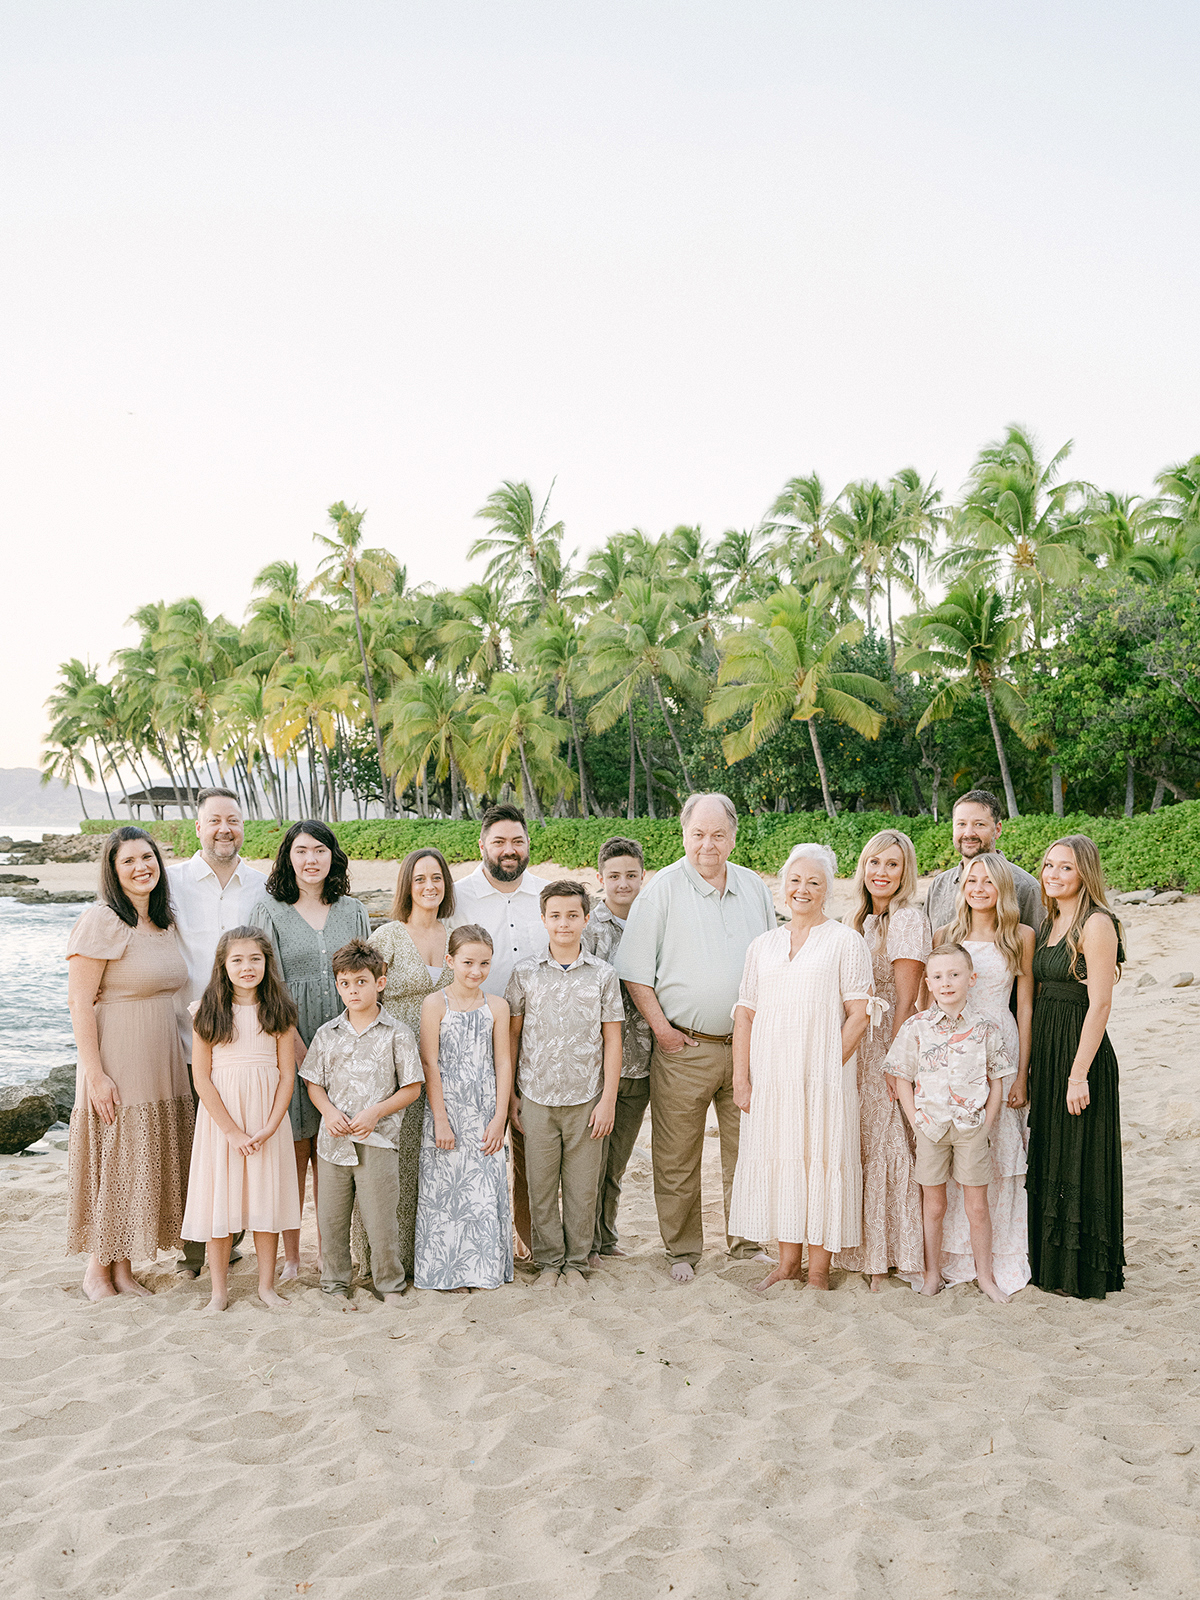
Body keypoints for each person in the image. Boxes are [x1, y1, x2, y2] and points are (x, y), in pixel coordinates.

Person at [615, 793, 776, 1282]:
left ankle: (747, 1244)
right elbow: (634, 971)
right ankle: (682, 1250)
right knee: (677, 1155)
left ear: (733, 835)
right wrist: (662, 1031)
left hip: (746, 1047)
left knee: (748, 1151)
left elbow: (772, 959)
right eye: (698, 834)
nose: (708, 843)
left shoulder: (753, 887)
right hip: (684, 1046)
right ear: (684, 834)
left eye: (718, 834)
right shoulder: (661, 889)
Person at [730, 843, 876, 1292]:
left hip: (826, 1080)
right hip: (773, 1078)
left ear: (828, 890)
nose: (803, 889)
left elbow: (860, 1012)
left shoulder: (845, 941)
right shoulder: (763, 945)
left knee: (821, 1160)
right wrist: (741, 1078)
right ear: (782, 886)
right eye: (796, 880)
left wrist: (829, 1063)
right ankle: (787, 1263)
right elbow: (745, 1013)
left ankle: (818, 1271)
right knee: (785, 1161)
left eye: (814, 882)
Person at [66, 827, 194, 1301]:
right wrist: (95, 1075)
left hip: (162, 1056)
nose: (142, 867)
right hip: (118, 1057)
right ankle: (97, 1272)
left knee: (139, 1159)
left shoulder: (163, 921)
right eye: (129, 862)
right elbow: (79, 1002)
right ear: (113, 871)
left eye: (148, 857)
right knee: (120, 1157)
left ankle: (123, 1271)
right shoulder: (101, 920)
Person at [252, 820, 370, 1278]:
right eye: (301, 851)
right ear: (288, 857)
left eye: (319, 850)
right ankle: (294, 1256)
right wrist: (300, 1051)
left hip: (348, 1045)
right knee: (296, 1152)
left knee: (335, 1156)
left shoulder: (354, 910)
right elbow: (269, 986)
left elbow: (366, 974)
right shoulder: (270, 911)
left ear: (332, 855)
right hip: (291, 1041)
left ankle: (330, 1253)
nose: (311, 859)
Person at [167, 786, 267, 1278]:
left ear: (243, 825)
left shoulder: (262, 884)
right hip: (189, 1036)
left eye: (233, 820)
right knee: (196, 1147)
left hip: (247, 1041)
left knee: (239, 1141)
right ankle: (193, 1254)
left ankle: (231, 1245)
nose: (225, 829)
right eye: (215, 821)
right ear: (199, 827)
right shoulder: (172, 882)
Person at [506, 881, 623, 1291]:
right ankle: (548, 1261)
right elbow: (513, 1037)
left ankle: (576, 1261)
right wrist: (512, 1098)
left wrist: (607, 1099)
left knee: (581, 1186)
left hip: (587, 1097)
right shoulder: (525, 974)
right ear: (542, 919)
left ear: (586, 919)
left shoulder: (604, 975)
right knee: (539, 1184)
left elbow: (612, 1039)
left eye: (573, 915)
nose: (564, 923)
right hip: (536, 1096)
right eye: (555, 915)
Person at [299, 939, 424, 1307]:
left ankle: (390, 1284)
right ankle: (335, 1284)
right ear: (337, 985)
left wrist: (375, 1113)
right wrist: (329, 1112)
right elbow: (313, 1083)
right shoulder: (327, 1034)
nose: (353, 990)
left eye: (361, 981)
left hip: (379, 1141)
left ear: (379, 983)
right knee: (332, 1221)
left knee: (381, 1221)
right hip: (333, 1144)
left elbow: (413, 1088)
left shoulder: (396, 1033)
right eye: (345, 983)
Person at [1026, 836, 1125, 1299]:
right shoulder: (1050, 921)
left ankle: (1082, 1273)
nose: (1053, 874)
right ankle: (1049, 1267)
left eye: (1065, 867)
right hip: (1047, 1048)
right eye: (1048, 865)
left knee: (1078, 1153)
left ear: (1084, 872)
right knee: (1051, 1150)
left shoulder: (1096, 923)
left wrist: (1078, 1072)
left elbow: (1100, 1003)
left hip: (1078, 1053)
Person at [931, 853, 1035, 1294]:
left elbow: (1025, 1005)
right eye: (971, 880)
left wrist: (1022, 1073)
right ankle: (956, 1258)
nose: (977, 888)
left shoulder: (1020, 937)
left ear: (1002, 889)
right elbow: (928, 1004)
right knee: (957, 1148)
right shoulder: (945, 935)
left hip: (1003, 1043)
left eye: (988, 882)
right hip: (955, 1050)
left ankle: (999, 1256)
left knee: (999, 1150)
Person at [181, 927, 300, 1311]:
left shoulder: (279, 1010)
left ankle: (266, 1286)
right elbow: (201, 1077)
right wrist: (231, 1131)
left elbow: (286, 1075)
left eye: (255, 959)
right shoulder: (207, 1011)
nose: (247, 967)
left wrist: (270, 1125)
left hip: (267, 1118)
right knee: (221, 1202)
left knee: (265, 1201)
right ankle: (219, 1292)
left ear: (267, 962)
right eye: (237, 960)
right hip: (223, 1122)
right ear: (223, 965)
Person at [449, 804, 549, 1260]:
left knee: (529, 1140)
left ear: (528, 845)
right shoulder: (457, 896)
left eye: (517, 842)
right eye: (499, 842)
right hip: (471, 1035)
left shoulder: (546, 894)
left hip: (534, 1037)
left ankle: (527, 1238)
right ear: (482, 846)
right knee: (475, 1143)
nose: (509, 851)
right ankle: (479, 1241)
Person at [888, 944, 1011, 1303]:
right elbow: (901, 1077)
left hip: (972, 1128)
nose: (946, 983)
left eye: (955, 975)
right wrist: (916, 1122)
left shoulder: (985, 1028)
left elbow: (998, 1080)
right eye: (938, 976)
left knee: (976, 1206)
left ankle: (985, 1277)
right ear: (928, 982)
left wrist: (986, 1126)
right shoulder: (917, 1026)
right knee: (934, 1204)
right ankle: (931, 1274)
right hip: (930, 1127)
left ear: (971, 979)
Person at [833, 831, 928, 1291]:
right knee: (860, 1143)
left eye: (892, 864)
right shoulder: (857, 918)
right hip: (855, 1041)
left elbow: (908, 1001)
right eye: (874, 862)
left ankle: (885, 1257)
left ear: (905, 871)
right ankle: (858, 1248)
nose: (881, 873)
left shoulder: (907, 920)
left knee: (889, 1141)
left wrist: (895, 1063)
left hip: (887, 1045)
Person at [360, 848, 455, 1283]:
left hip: (444, 1067)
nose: (429, 886)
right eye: (420, 879)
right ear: (407, 885)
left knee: (431, 1165)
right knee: (392, 1167)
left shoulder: (455, 936)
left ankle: (425, 1258)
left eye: (436, 878)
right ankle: (385, 1261)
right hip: (394, 1069)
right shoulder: (389, 937)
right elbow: (362, 998)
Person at [415, 924, 514, 1293]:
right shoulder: (434, 1004)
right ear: (450, 961)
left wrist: (499, 1116)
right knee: (446, 1193)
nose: (476, 971)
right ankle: (447, 1273)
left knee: (483, 1192)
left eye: (484, 963)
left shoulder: (497, 1006)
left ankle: (482, 1271)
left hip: (485, 1108)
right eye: (468, 962)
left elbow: (503, 1062)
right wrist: (440, 1118)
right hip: (447, 1109)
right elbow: (430, 1063)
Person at [581, 836, 654, 1265]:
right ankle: (586, 1243)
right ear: (600, 878)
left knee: (618, 1162)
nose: (623, 883)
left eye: (630, 875)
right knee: (592, 1159)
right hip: (597, 1065)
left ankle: (606, 1238)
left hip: (643, 1061)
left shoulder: (654, 919)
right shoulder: (589, 927)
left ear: (643, 876)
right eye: (614, 876)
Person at [924, 790, 1045, 935]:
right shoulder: (939, 886)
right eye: (961, 824)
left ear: (997, 830)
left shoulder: (1026, 887)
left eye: (979, 824)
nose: (968, 833)